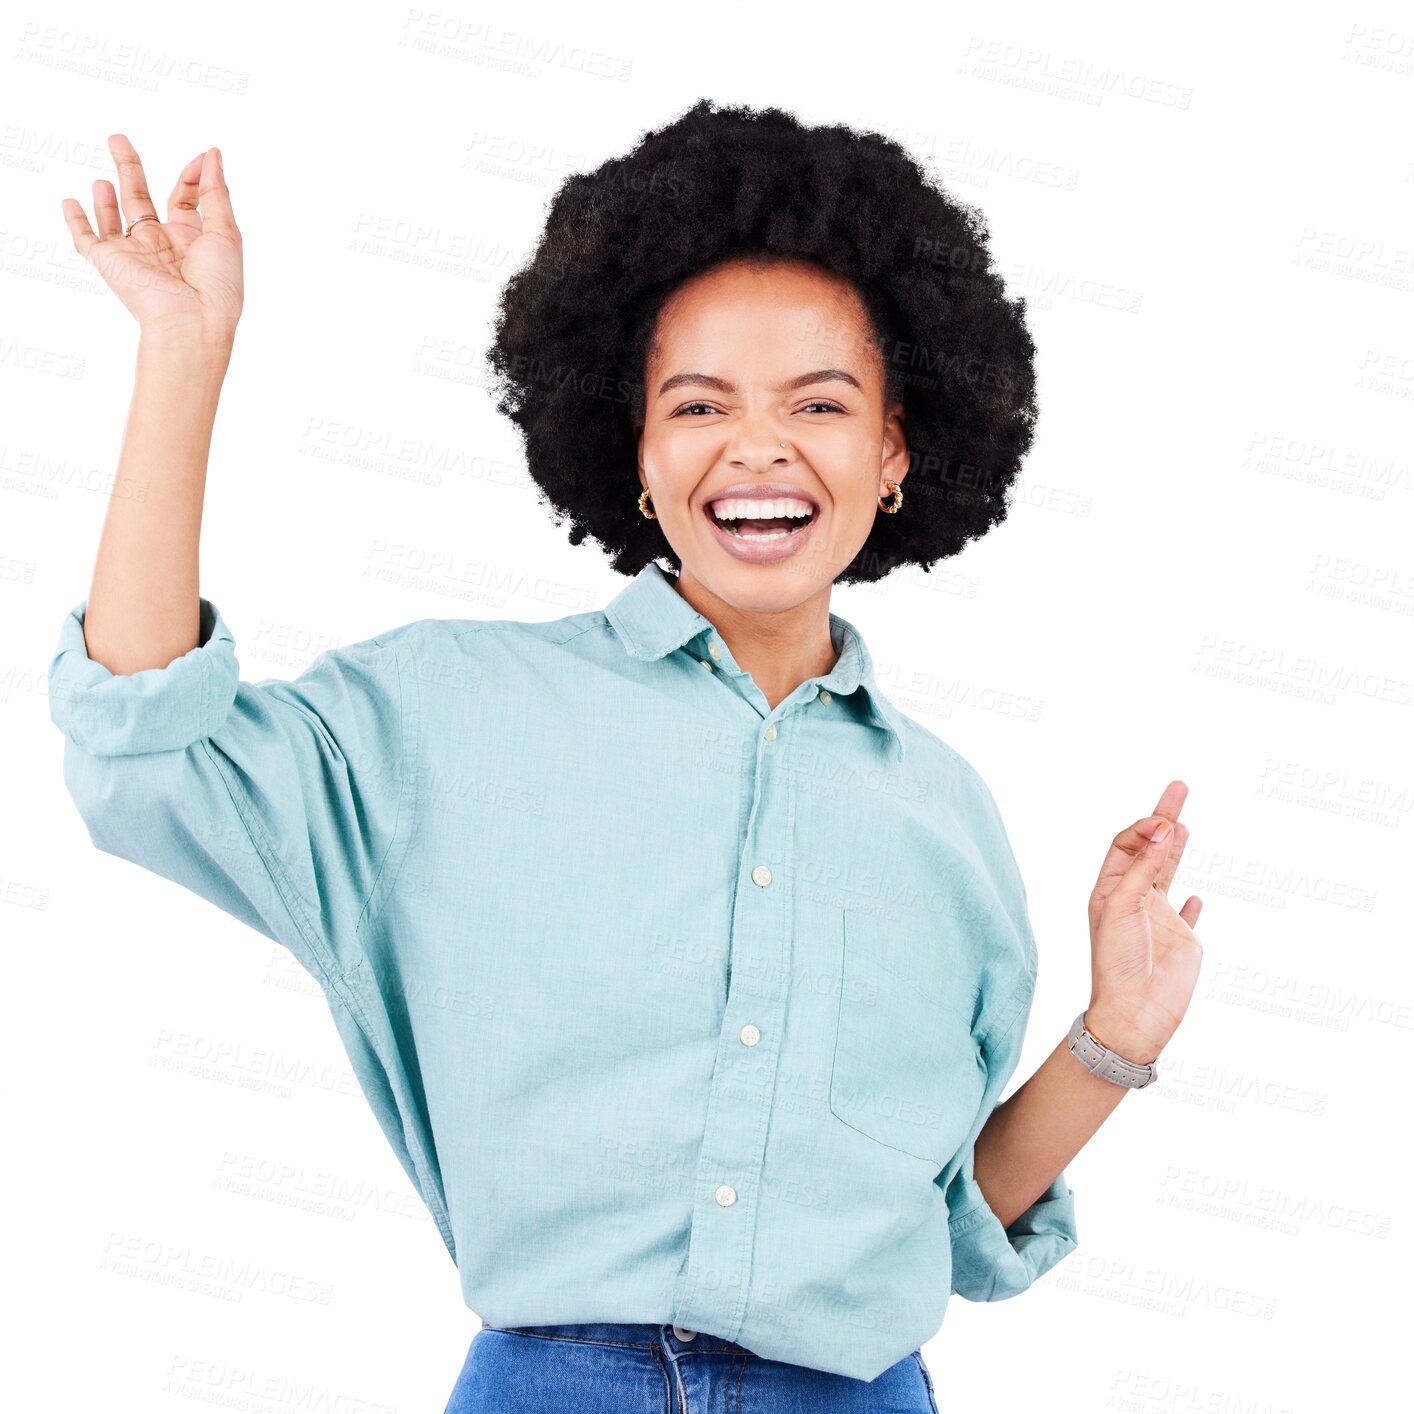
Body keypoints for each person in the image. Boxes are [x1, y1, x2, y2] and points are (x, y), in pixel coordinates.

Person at [51, 100, 1204, 1413]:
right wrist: (183, 356)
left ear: (890, 450)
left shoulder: (944, 818)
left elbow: (936, 1225)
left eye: (818, 404)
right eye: (697, 402)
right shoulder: (448, 712)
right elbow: (146, 755)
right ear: (639, 454)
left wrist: (1112, 1035)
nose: (757, 445)